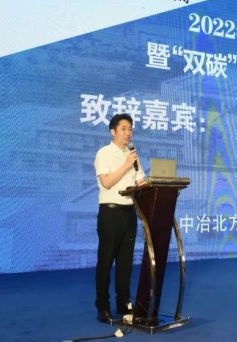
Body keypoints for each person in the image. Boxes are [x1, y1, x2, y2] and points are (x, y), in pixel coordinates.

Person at [94, 113, 146, 323]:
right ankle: (103, 306)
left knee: (125, 263)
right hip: (111, 212)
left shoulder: (132, 155)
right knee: (106, 261)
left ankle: (124, 304)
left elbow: (140, 181)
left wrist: (151, 185)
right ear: (113, 131)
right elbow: (107, 182)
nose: (128, 133)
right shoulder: (104, 153)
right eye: (124, 128)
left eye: (130, 128)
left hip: (129, 213)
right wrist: (126, 164)